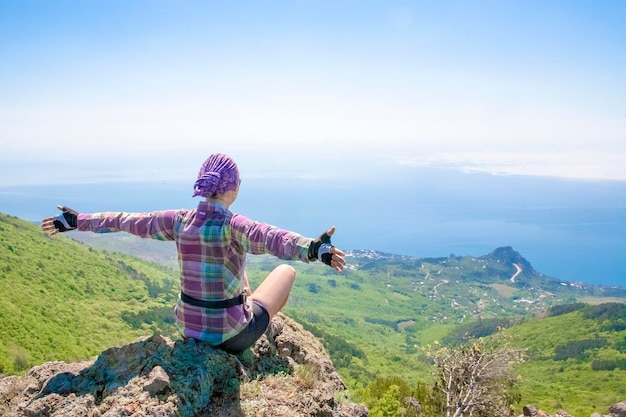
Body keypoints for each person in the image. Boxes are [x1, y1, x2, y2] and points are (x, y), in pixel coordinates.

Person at [41, 153, 346, 354]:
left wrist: (78, 221)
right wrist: (314, 249)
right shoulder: (233, 224)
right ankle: (259, 329)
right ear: (234, 189)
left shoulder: (179, 219)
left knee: (235, 266)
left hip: (190, 329)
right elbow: (271, 238)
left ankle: (242, 306)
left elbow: (126, 221)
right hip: (231, 337)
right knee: (285, 273)